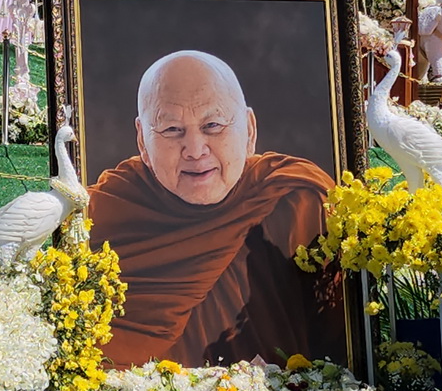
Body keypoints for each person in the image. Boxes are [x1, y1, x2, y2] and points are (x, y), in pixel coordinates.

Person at [88, 50, 348, 368]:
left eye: (212, 125)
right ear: (142, 140)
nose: (195, 150)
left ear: (249, 130)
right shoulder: (107, 213)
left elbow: (346, 346)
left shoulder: (296, 198)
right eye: (172, 130)